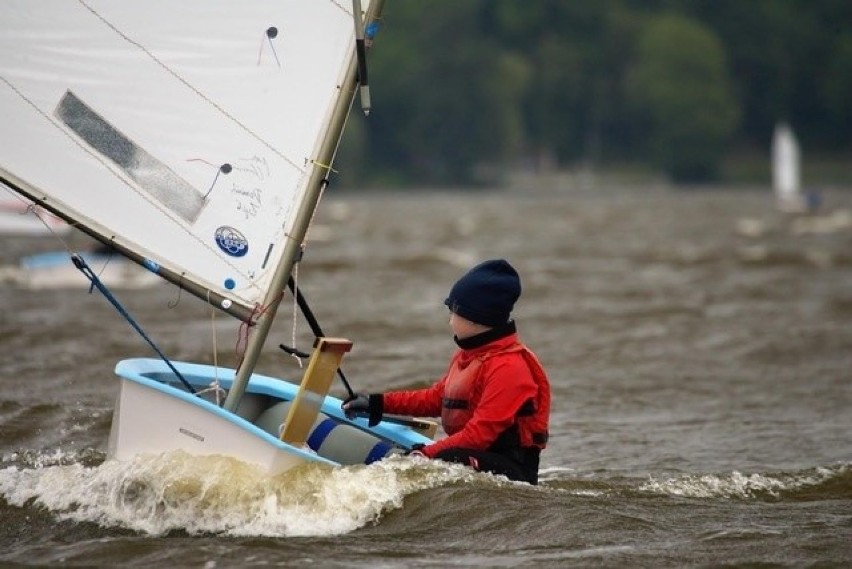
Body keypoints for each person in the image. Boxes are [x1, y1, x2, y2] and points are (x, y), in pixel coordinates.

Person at [342, 259, 551, 485]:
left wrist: (426, 453)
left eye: (453, 312)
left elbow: (478, 436)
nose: (450, 321)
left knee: (444, 457)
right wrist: (377, 404)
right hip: (478, 457)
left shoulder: (509, 369)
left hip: (512, 471)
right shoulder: (470, 355)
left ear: (475, 319)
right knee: (438, 456)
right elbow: (436, 399)